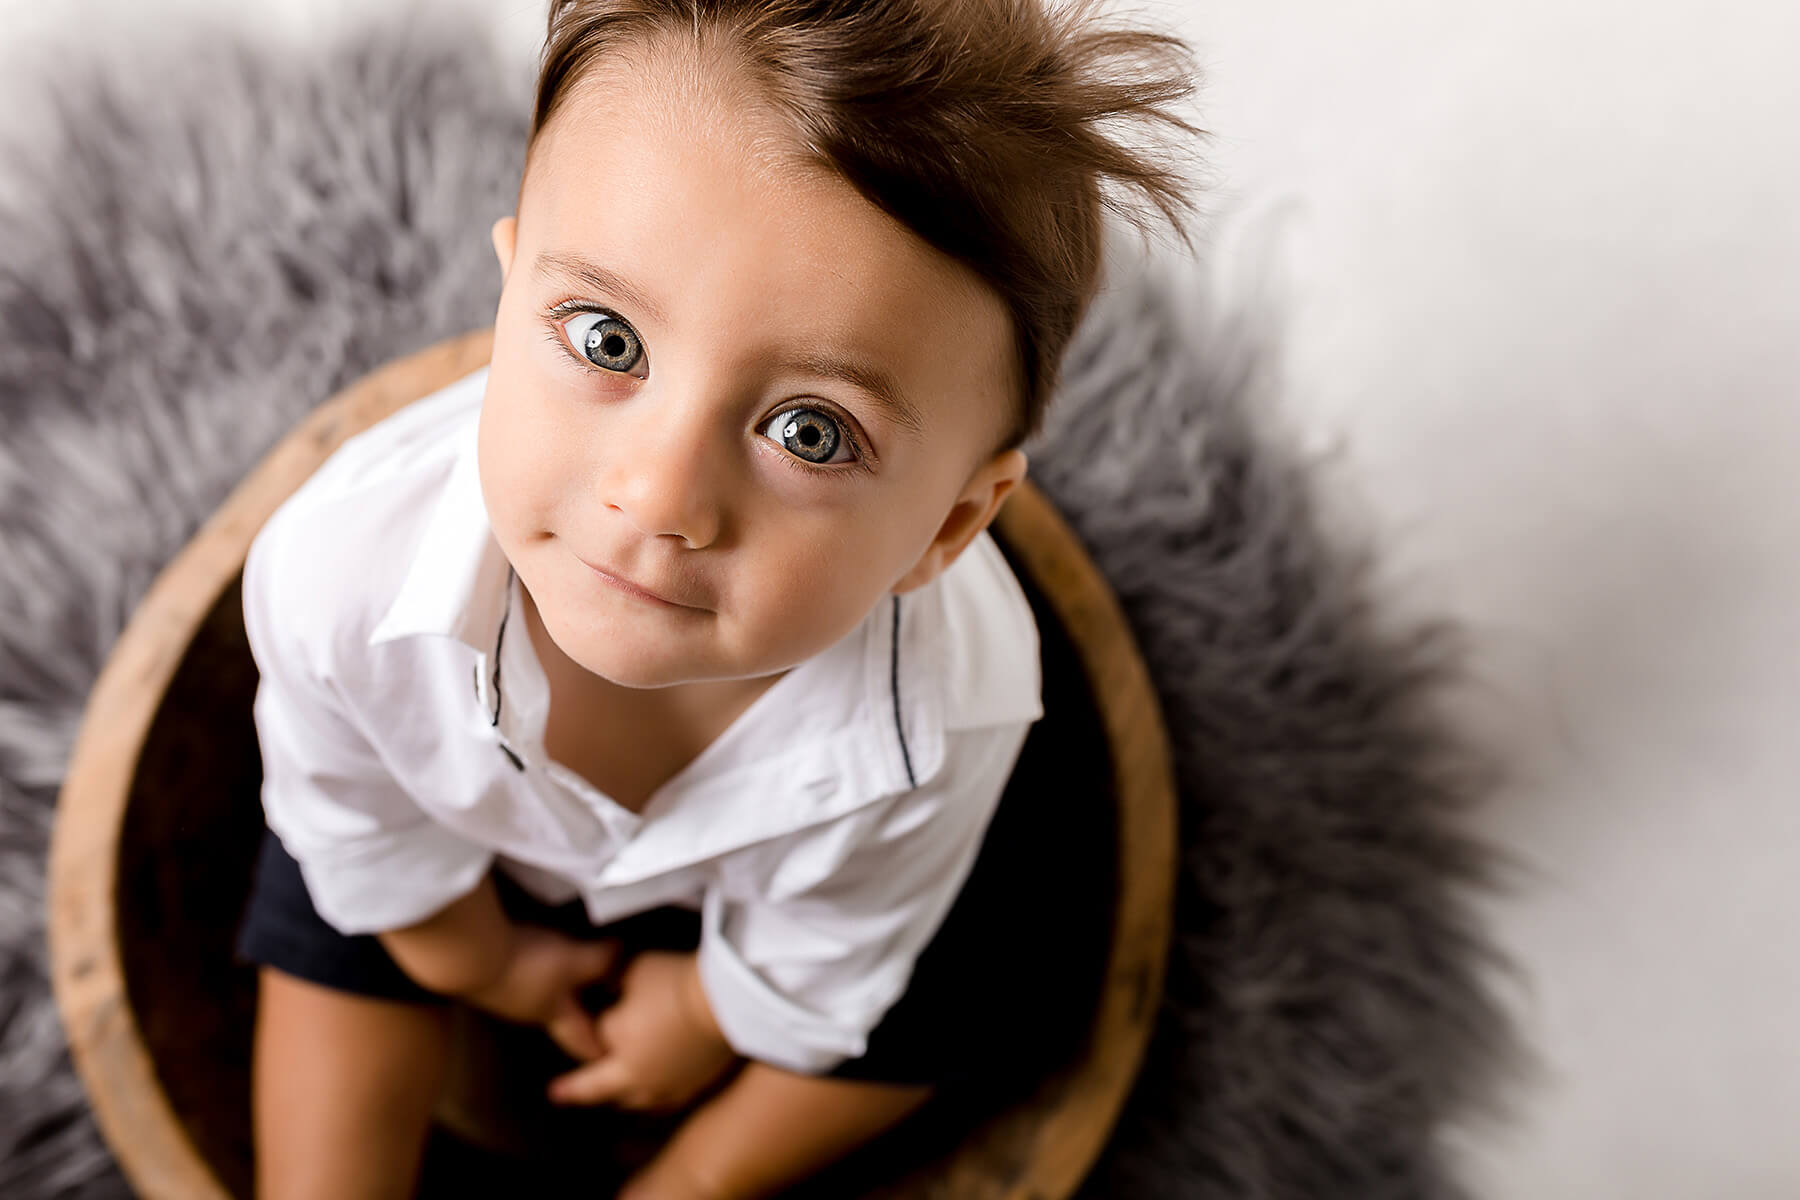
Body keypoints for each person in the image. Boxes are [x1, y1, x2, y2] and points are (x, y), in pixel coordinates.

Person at [234, 1, 1197, 1196]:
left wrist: (707, 1006)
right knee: (333, 902)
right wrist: (478, 961)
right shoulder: (341, 572)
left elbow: (834, 951)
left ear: (948, 525)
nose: (658, 494)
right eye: (606, 341)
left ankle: (694, 1182)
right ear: (508, 293)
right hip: (451, 840)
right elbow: (354, 817)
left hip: (819, 879)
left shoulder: (940, 723)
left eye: (810, 431)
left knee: (974, 978)